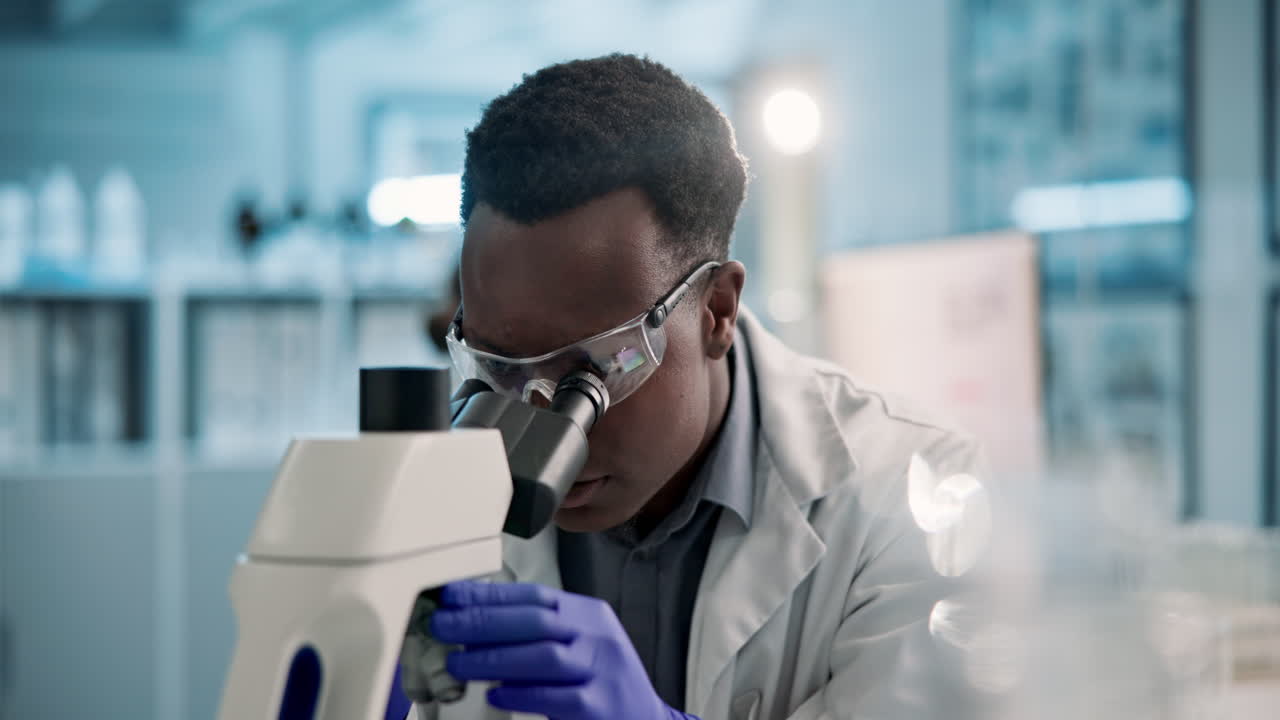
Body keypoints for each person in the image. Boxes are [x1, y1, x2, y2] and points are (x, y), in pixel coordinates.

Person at [415, 54, 992, 720]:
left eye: (593, 370)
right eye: (501, 364)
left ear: (716, 310)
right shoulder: (446, 497)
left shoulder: (917, 496)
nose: (542, 428)